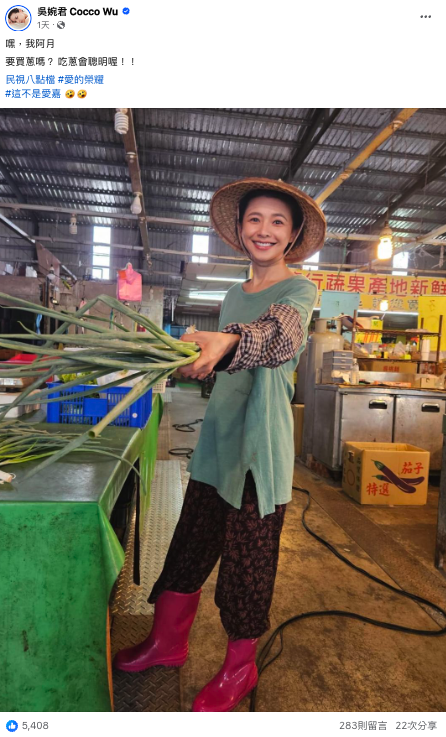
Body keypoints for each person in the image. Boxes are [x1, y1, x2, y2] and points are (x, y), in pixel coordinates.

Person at [114, 177, 326, 711]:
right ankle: (168, 643)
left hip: (260, 450)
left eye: (278, 222)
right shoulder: (234, 292)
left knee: (246, 566)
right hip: (217, 442)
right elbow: (226, 361)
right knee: (189, 544)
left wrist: (230, 340)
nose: (265, 230)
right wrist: (192, 357)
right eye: (255, 219)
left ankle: (240, 669)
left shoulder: (300, 292)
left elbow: (279, 336)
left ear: (293, 234)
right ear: (239, 228)